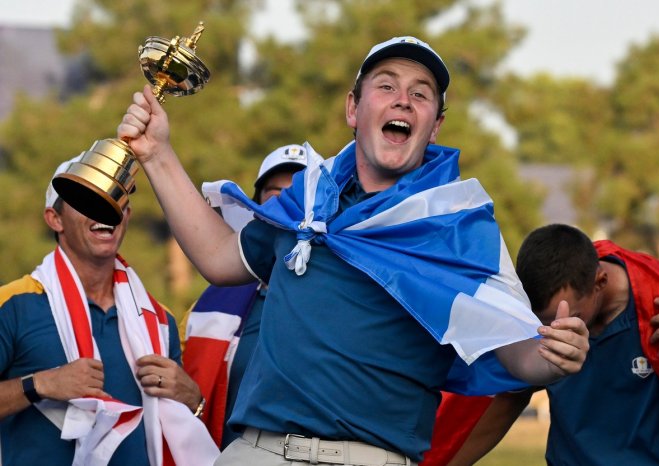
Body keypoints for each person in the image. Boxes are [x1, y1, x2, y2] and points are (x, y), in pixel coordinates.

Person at [117, 36, 590, 465]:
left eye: (421, 93)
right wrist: (157, 153)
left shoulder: (458, 224)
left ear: (436, 125)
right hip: (256, 451)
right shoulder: (304, 201)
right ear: (353, 108)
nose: (403, 98)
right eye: (386, 86)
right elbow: (220, 257)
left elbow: (516, 351)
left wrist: (553, 358)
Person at [0, 157, 219, 465]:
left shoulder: (159, 319)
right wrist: (40, 385)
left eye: (115, 201)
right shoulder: (13, 305)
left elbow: (185, 430)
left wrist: (193, 399)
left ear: (126, 215)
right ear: (55, 219)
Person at [511, 223, 659, 465]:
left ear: (600, 283)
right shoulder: (528, 325)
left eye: (572, 317)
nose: (557, 331)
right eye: (544, 325)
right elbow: (496, 401)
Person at [181, 144, 316, 449]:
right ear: (254, 205)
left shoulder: (337, 292)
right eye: (273, 190)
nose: (284, 200)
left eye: (296, 189)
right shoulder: (213, 301)